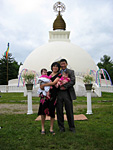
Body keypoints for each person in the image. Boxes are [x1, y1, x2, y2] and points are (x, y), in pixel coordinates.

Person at [37, 62, 62, 135]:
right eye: (54, 66)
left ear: (58, 68)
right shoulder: (48, 74)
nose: (55, 67)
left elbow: (54, 83)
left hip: (53, 95)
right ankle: (43, 128)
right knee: (42, 111)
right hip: (44, 95)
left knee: (52, 111)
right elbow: (42, 79)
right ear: (51, 67)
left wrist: (44, 84)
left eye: (56, 66)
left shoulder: (59, 75)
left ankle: (51, 128)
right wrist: (41, 86)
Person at [56, 59, 76, 133]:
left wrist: (65, 86)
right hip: (59, 93)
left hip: (67, 93)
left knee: (69, 111)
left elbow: (73, 81)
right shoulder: (57, 72)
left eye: (64, 63)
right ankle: (61, 127)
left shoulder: (71, 72)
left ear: (66, 64)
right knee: (59, 111)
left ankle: (72, 127)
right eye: (61, 64)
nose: (62, 65)